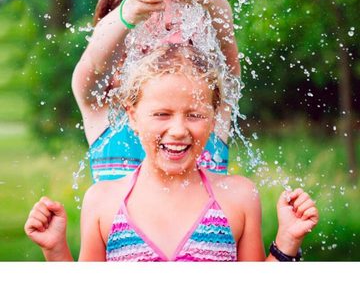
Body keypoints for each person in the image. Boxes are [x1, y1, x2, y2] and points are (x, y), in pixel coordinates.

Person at [25, 44, 319, 261]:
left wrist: (286, 241)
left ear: (215, 116)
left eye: (194, 115)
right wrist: (55, 250)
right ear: (133, 116)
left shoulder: (239, 197)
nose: (178, 130)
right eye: (162, 114)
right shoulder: (102, 202)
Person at [71, 0, 241, 182]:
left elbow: (226, 45)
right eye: (151, 30)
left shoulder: (211, 103)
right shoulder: (105, 108)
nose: (169, 44)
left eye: (182, 31)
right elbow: (95, 64)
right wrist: (129, 10)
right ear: (117, 44)